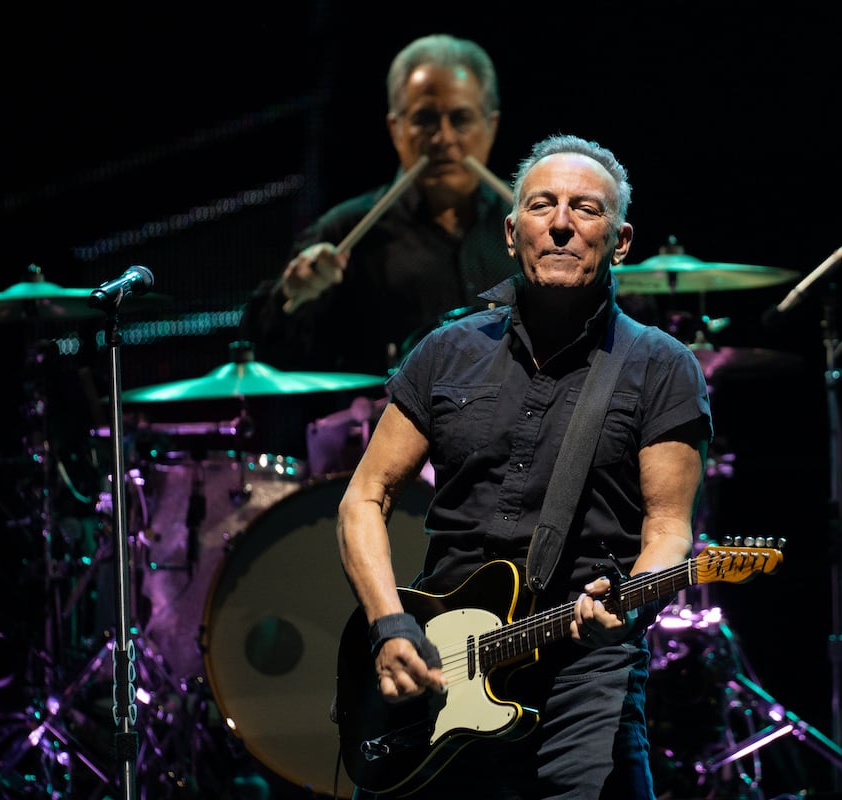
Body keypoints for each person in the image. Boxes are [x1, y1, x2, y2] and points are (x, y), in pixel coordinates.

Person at [334, 133, 713, 800]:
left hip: (583, 671)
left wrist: (634, 595)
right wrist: (389, 625)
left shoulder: (661, 365)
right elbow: (364, 497)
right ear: (512, 232)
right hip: (441, 662)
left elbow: (668, 528)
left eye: (586, 209)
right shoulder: (446, 352)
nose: (561, 223)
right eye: (543, 205)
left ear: (620, 241)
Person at [236, 34, 519, 461]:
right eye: (425, 119)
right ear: (396, 128)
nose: (443, 139)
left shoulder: (531, 227)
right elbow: (264, 350)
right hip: (392, 472)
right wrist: (293, 295)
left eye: (460, 119)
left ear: (491, 125)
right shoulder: (345, 230)